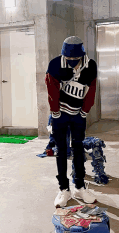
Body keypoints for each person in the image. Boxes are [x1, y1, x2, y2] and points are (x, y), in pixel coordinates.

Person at [45, 36, 97, 207]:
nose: (72, 63)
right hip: (60, 114)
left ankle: (79, 187)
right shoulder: (54, 65)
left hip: (78, 114)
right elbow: (51, 89)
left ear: (81, 56)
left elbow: (91, 90)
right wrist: (55, 112)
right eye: (69, 59)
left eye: (76, 60)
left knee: (78, 148)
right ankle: (63, 190)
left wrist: (84, 111)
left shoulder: (90, 66)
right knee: (61, 150)